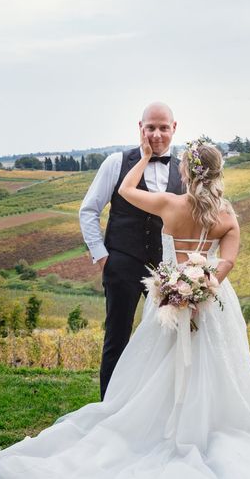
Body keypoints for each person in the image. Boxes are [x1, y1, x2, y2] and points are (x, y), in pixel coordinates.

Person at [0, 132, 250, 479]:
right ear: (218, 172)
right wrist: (202, 289)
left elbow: (124, 192)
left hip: (167, 298)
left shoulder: (169, 205)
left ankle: (157, 423)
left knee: (155, 364)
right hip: (212, 302)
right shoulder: (227, 216)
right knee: (218, 366)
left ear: (189, 173)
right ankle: (204, 423)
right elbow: (227, 263)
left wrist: (145, 157)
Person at [78, 102, 184, 400]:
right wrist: (101, 255)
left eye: (164, 127)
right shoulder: (115, 162)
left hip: (167, 270)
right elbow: (89, 210)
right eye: (150, 127)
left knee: (168, 338)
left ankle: (157, 404)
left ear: (174, 128)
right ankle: (109, 405)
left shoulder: (182, 169)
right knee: (117, 337)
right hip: (122, 262)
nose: (157, 134)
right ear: (140, 128)